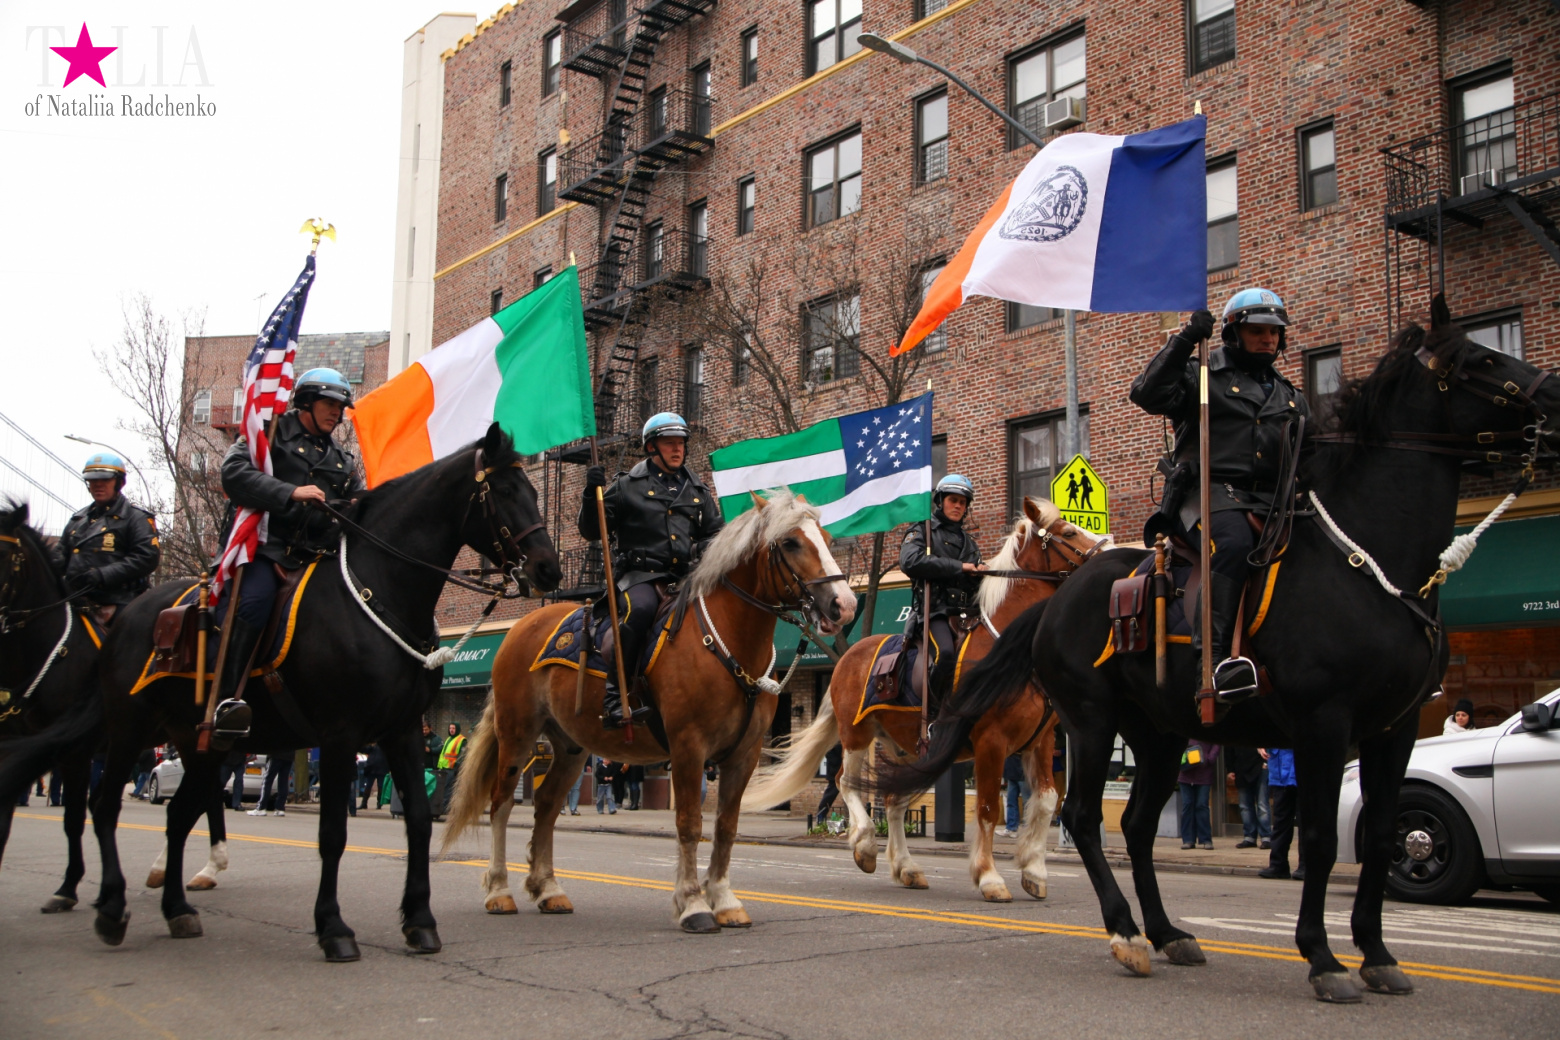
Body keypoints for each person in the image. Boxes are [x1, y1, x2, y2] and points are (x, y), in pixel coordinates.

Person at [1130, 289, 1310, 701]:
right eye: (1257, 331)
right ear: (1233, 333)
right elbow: (1146, 394)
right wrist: (1184, 340)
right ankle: (1209, 668)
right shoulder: (1201, 375)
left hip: (1273, 501)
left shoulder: (1291, 397)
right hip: (1207, 492)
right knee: (1232, 543)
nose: (1268, 340)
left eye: (1274, 332)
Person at [215, 368, 362, 739]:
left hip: (319, 557)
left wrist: (361, 506)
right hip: (268, 550)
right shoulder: (270, 432)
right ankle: (226, 700)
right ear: (306, 403)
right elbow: (232, 473)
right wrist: (290, 493)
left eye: (341, 406)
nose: (336, 413)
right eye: (329, 404)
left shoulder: (343, 460)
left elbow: (356, 505)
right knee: (252, 605)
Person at [580, 412, 724, 728]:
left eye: (681, 443)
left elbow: (714, 535)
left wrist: (703, 549)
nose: (677, 450)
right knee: (641, 611)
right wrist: (592, 496)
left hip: (685, 579)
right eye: (669, 443)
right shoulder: (626, 486)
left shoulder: (698, 491)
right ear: (651, 448)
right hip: (639, 577)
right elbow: (592, 531)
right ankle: (615, 697)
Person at [899, 474, 987, 704]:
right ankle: (936, 714)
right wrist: (961, 567)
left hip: (966, 613)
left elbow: (971, 583)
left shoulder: (970, 543)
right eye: (953, 500)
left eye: (962, 502)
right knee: (946, 654)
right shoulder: (923, 530)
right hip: (934, 611)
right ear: (940, 501)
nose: (958, 506)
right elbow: (910, 562)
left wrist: (981, 575)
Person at [54, 451, 160, 630]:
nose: (98, 485)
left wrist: (102, 575)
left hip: (118, 601)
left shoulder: (136, 518)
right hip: (74, 600)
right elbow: (59, 556)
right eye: (93, 481)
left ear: (119, 482)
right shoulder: (77, 520)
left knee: (124, 648)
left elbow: (146, 557)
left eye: (104, 480)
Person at [1259, 747, 1305, 880]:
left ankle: (1305, 866)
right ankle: (1278, 865)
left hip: (1301, 776)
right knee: (1280, 822)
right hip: (1280, 775)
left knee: (1305, 823)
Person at [1226, 745, 1271, 849]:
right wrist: (1230, 769)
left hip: (1261, 766)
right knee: (1245, 806)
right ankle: (1249, 837)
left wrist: (1267, 763)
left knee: (1262, 804)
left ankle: (1266, 837)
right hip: (1241, 768)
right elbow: (1228, 747)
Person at [1178, 739, 1219, 850]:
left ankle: (1205, 839)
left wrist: (1210, 757)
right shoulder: (1183, 727)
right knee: (1187, 805)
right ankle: (1188, 839)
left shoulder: (1208, 724)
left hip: (1204, 774)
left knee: (1201, 805)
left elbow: (1217, 742)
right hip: (1185, 773)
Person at [433, 723, 466, 819]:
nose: (451, 730)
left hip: (452, 768)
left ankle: (446, 807)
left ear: (458, 729)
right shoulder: (449, 739)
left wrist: (457, 766)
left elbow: (462, 755)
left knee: (448, 788)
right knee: (444, 788)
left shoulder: (461, 740)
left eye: (453, 728)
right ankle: (444, 806)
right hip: (444, 768)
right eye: (450, 728)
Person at [250, 751, 291, 817]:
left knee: (267, 780)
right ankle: (280, 808)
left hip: (276, 755)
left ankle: (261, 807)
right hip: (289, 755)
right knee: (283, 781)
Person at [814, 743, 844, 824]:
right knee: (830, 794)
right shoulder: (834, 740)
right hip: (835, 771)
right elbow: (829, 753)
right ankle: (821, 815)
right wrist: (837, 762)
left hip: (843, 770)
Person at [1003, 753, 1028, 837]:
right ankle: (1011, 827)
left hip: (1024, 774)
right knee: (1011, 801)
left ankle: (1027, 828)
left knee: (1027, 802)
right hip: (1012, 774)